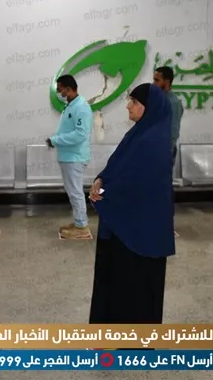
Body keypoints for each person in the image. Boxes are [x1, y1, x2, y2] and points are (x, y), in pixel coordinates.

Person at [88, 83, 175, 323]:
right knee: (118, 284)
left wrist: (103, 193)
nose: (128, 106)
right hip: (124, 228)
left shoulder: (153, 142)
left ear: (150, 107)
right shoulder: (137, 135)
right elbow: (116, 167)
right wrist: (100, 180)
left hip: (140, 232)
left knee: (136, 290)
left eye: (134, 102)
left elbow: (138, 185)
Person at [47, 75, 93, 239]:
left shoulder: (81, 107)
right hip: (68, 157)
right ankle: (79, 222)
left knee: (75, 192)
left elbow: (80, 135)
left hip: (75, 157)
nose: (59, 93)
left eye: (60, 89)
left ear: (68, 88)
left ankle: (82, 227)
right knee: (72, 192)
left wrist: (55, 140)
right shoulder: (70, 106)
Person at [153, 66, 184, 164]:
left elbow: (173, 132)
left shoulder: (173, 103)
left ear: (166, 82)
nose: (153, 84)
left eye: (157, 80)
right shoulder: (159, 100)